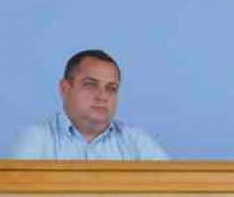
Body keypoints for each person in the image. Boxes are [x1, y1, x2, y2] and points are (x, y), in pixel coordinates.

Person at [10, 49, 168, 160]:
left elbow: (172, 192)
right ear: (65, 89)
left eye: (111, 88)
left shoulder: (137, 142)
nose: (102, 96)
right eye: (91, 84)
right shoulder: (36, 140)